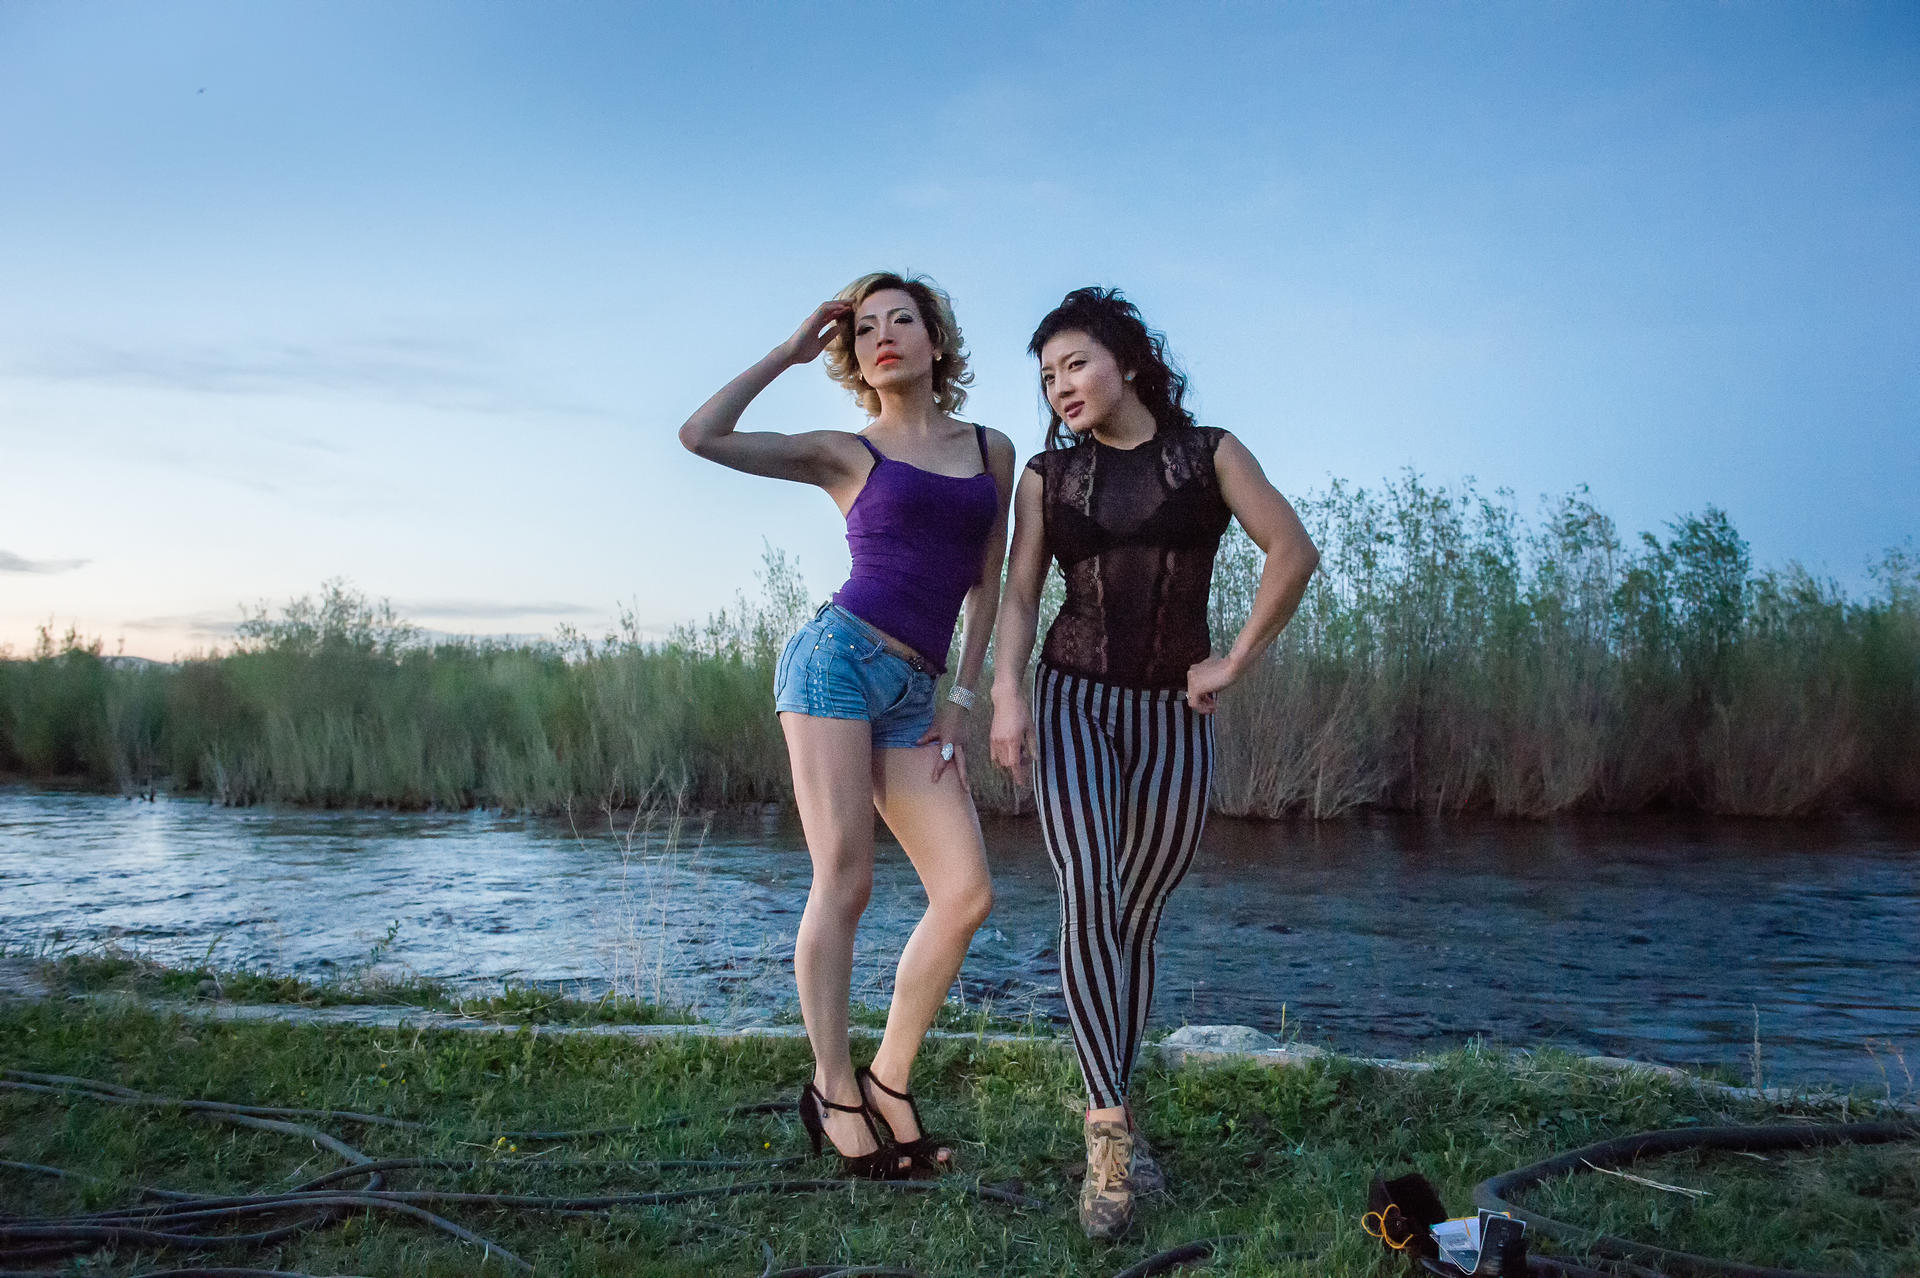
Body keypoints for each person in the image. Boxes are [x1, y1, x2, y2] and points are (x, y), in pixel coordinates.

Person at [989, 287, 1320, 1235]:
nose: (1060, 388)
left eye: (1076, 365)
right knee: (1090, 891)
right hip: (1072, 701)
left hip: (1175, 711)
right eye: (1047, 376)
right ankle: (1107, 1142)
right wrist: (1009, 695)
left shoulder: (1209, 454)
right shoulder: (1048, 479)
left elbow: (1290, 551)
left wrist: (1237, 657)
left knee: (1136, 912)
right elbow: (1019, 597)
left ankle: (1115, 1105)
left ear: (1128, 361)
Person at [679, 272, 1014, 1179]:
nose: (883, 337)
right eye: (865, 329)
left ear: (936, 341)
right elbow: (700, 435)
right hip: (834, 665)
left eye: (902, 320)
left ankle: (890, 1082)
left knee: (966, 891)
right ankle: (834, 1091)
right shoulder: (844, 452)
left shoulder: (991, 448)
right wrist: (790, 352)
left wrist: (964, 695)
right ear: (854, 355)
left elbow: (989, 575)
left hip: (917, 693)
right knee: (846, 879)